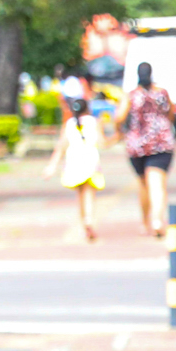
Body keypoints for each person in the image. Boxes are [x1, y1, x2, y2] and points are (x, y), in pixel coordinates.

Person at [113, 61, 176, 236]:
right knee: (157, 182)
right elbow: (171, 115)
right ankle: (157, 220)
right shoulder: (162, 93)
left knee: (143, 183)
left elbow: (118, 117)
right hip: (161, 144)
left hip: (137, 146)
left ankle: (146, 220)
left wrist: (120, 133)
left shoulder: (131, 95)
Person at [43, 93, 104, 241]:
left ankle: (85, 224)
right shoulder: (95, 122)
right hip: (91, 162)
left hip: (74, 163)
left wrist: (51, 166)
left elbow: (61, 147)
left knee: (81, 194)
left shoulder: (69, 124)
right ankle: (89, 220)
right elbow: (102, 142)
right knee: (90, 193)